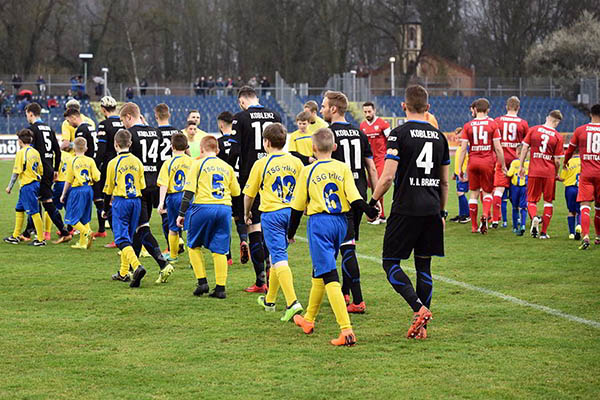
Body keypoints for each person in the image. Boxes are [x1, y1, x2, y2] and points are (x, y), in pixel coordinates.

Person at [370, 84, 450, 340]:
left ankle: (419, 309)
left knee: (390, 263)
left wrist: (373, 201)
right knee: (424, 266)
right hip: (431, 209)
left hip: (405, 209)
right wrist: (442, 213)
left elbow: (388, 176)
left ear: (403, 106)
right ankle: (422, 328)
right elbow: (444, 181)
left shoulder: (398, 134)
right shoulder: (440, 137)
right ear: (428, 108)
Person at [288, 128, 379, 346]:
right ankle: (308, 319)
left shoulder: (308, 171)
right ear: (335, 148)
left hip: (320, 223)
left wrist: (290, 234)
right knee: (320, 270)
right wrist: (369, 210)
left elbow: (297, 207)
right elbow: (355, 197)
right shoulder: (343, 167)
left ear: (313, 148)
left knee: (329, 275)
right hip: (342, 222)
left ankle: (346, 330)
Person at [321, 90, 379, 313]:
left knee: (344, 248)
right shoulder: (359, 132)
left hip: (337, 198)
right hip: (360, 194)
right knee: (348, 244)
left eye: (325, 106)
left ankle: (357, 299)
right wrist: (375, 198)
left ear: (334, 109)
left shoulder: (327, 134)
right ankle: (344, 293)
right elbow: (371, 167)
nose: (323, 109)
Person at [243, 123, 304, 321]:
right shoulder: (296, 162)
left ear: (266, 142)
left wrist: (247, 213)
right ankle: (270, 300)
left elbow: (249, 194)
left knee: (278, 257)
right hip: (292, 213)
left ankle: (292, 301)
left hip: (272, 214)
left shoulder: (261, 163)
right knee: (279, 255)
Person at [228, 85, 282, 293]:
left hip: (251, 176)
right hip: (275, 174)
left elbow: (234, 151)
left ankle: (261, 280)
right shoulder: (275, 114)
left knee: (253, 225)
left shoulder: (240, 117)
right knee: (271, 226)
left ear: (242, 101)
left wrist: (228, 167)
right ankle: (272, 270)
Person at [177, 136, 241, 298]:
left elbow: (189, 191)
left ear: (202, 149)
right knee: (220, 249)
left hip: (203, 207)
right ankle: (220, 288)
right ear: (218, 150)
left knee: (193, 245)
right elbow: (236, 192)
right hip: (224, 208)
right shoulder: (227, 167)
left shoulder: (197, 164)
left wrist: (181, 214)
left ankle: (202, 282)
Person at [119, 102, 174, 284]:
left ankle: (163, 264)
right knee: (137, 229)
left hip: (139, 187)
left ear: (128, 117)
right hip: (155, 184)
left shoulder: (130, 135)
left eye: (123, 120)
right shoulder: (155, 131)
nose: (123, 125)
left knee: (142, 229)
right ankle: (127, 271)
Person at [102, 129, 146, 285]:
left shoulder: (113, 163)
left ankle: (137, 266)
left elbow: (108, 187)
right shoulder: (137, 162)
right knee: (129, 235)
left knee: (121, 238)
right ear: (131, 143)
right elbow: (142, 185)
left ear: (115, 144)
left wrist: (105, 208)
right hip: (136, 201)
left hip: (122, 201)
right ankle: (123, 272)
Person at [456, 98, 506, 234]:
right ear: (488, 110)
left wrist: (460, 168)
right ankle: (485, 215)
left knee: (473, 194)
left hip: (472, 162)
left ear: (475, 109)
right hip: (487, 162)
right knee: (488, 192)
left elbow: (463, 149)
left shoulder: (468, 125)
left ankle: (474, 226)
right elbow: (498, 148)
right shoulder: (493, 124)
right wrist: (503, 165)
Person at [26, 102, 73, 243]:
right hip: (49, 168)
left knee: (44, 201)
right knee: (41, 200)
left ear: (30, 113)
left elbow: (30, 152)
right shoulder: (49, 128)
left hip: (38, 170)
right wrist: (56, 169)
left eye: (27, 114)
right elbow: (57, 151)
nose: (27, 117)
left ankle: (62, 232)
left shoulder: (31, 129)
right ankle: (28, 231)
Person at [518, 110, 564, 239]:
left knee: (531, 200)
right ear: (556, 122)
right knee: (548, 202)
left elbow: (525, 148)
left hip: (534, 171)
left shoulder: (533, 130)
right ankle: (543, 233)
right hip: (549, 173)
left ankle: (535, 218)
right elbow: (557, 160)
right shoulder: (557, 136)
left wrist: (521, 166)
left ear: (546, 117)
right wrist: (556, 172)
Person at [563, 104, 600, 249]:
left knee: (585, 205)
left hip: (586, 174)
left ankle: (585, 237)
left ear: (591, 114)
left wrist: (565, 162)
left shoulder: (580, 130)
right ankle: (598, 236)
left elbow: (570, 150)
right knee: (598, 208)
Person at [217, 111, 249, 266]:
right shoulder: (241, 141)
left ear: (221, 124)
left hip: (225, 184)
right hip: (240, 183)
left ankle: (227, 256)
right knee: (240, 218)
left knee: (224, 220)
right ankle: (244, 240)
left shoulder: (218, 143)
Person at [491, 97, 529, 228]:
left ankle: (495, 219)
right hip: (516, 160)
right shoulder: (523, 123)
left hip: (501, 159)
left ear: (506, 107)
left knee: (499, 190)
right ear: (518, 108)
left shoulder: (497, 121)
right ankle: (519, 218)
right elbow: (525, 145)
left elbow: (493, 141)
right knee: (517, 189)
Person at [4, 129, 45, 246]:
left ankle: (40, 239)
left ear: (20, 141)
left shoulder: (21, 153)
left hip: (28, 185)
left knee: (34, 212)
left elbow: (16, 172)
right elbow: (40, 170)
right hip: (34, 184)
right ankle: (15, 236)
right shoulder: (35, 152)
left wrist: (9, 187)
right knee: (19, 209)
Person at [157, 133, 192, 263]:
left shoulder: (168, 163)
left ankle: (173, 255)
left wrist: (161, 202)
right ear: (186, 146)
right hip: (189, 196)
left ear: (172, 147)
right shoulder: (192, 162)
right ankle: (192, 258)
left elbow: (164, 184)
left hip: (173, 197)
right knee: (189, 228)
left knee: (173, 227)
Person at [60, 137, 100, 250]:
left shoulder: (72, 160)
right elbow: (97, 177)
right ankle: (82, 243)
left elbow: (68, 180)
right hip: (88, 189)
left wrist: (63, 194)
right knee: (84, 218)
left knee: (72, 218)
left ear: (73, 148)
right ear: (86, 148)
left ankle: (86, 232)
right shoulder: (90, 160)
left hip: (77, 190)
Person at [155, 103, 183, 255]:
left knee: (166, 213)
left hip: (163, 172)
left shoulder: (155, 132)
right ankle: (179, 239)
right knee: (183, 213)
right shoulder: (177, 131)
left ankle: (171, 245)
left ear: (156, 116)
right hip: (180, 174)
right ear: (169, 115)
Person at [96, 96, 123, 242]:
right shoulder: (124, 123)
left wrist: (95, 166)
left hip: (109, 166)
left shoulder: (103, 125)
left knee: (108, 199)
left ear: (103, 109)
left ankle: (117, 236)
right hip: (125, 165)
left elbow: (101, 150)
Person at [360, 101, 391, 224]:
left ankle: (377, 214)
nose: (367, 114)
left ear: (374, 111)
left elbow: (391, 139)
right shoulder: (362, 126)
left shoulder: (382, 124)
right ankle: (381, 215)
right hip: (368, 160)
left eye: (369, 111)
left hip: (380, 159)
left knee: (377, 186)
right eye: (365, 112)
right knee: (372, 186)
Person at [43, 142, 73, 241]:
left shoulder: (57, 155)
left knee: (50, 207)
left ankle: (46, 232)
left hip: (60, 184)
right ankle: (74, 229)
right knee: (70, 207)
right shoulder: (71, 156)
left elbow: (53, 171)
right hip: (71, 184)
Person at [559, 146, 581, 240]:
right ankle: (579, 226)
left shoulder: (568, 162)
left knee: (571, 211)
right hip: (581, 188)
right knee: (581, 210)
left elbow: (562, 178)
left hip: (570, 189)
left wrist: (555, 177)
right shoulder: (584, 161)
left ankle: (571, 233)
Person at [449, 128, 470, 223]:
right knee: (459, 193)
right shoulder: (459, 148)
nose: (457, 140)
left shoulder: (467, 148)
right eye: (457, 138)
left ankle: (466, 215)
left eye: (460, 138)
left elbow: (469, 162)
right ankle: (462, 214)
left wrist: (467, 174)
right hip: (459, 175)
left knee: (461, 193)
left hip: (464, 175)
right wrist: (455, 173)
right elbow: (458, 162)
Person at [506, 158, 529, 236]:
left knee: (515, 207)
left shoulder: (515, 162)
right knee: (523, 207)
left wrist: (505, 171)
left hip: (515, 187)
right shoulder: (529, 164)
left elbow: (509, 174)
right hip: (525, 188)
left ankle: (515, 227)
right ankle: (523, 225)